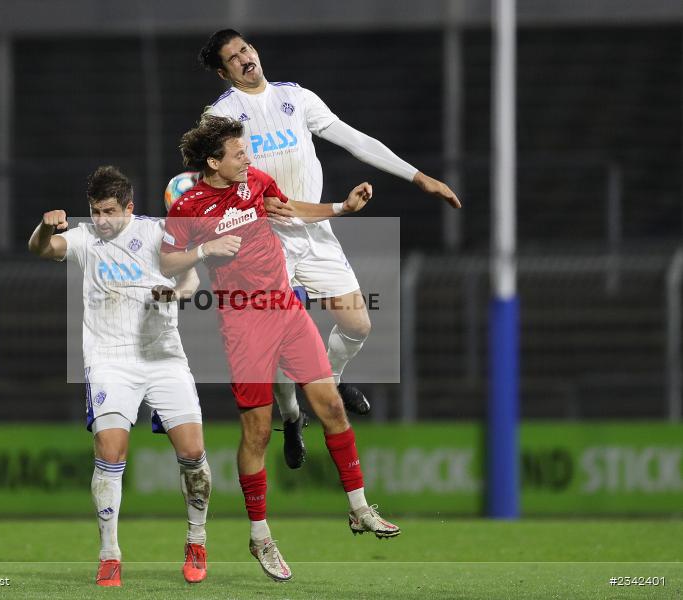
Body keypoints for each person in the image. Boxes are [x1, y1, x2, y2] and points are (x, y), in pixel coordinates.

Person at [198, 29, 462, 469]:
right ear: (224, 72)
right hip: (263, 242)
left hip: (314, 232)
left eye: (246, 48)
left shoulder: (296, 98)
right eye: (234, 57)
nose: (245, 58)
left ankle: (332, 382)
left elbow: (355, 140)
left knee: (358, 323)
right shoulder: (221, 116)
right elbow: (213, 177)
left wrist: (419, 177)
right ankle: (293, 417)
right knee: (278, 342)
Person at [160, 115, 400, 582]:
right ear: (213, 162)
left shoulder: (256, 182)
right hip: (244, 324)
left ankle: (358, 508)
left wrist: (342, 208)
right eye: (238, 153)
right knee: (256, 433)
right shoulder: (188, 206)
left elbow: (289, 210)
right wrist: (205, 253)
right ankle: (260, 536)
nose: (248, 159)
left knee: (331, 406)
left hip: (287, 311)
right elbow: (169, 259)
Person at [28, 166, 211, 587]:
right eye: (94, 211)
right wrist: (43, 226)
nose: (100, 220)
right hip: (109, 360)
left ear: (129, 207)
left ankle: (196, 541)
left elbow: (190, 276)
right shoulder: (85, 239)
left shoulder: (157, 232)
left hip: (163, 357)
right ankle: (109, 554)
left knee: (194, 455)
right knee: (110, 451)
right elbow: (41, 249)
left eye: (109, 211)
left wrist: (178, 293)